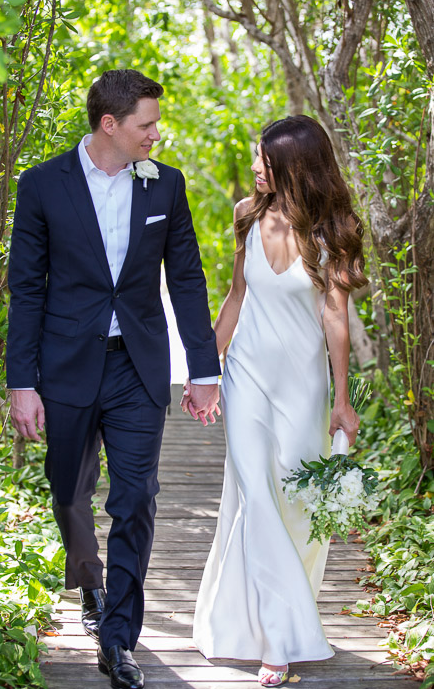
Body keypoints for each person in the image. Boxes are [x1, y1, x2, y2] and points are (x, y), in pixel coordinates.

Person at [6, 69, 221, 689]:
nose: (157, 134)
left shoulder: (166, 185)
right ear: (111, 125)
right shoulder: (43, 184)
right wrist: (23, 381)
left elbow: (186, 280)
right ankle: (90, 582)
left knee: (136, 497)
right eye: (146, 124)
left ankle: (119, 637)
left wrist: (203, 369)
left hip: (137, 364)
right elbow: (26, 288)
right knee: (70, 494)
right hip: (65, 366)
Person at [186, 115, 368, 687]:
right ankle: (280, 642)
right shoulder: (247, 215)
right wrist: (203, 373)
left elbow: (335, 317)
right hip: (246, 375)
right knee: (256, 497)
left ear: (294, 166)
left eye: (264, 158)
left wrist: (343, 399)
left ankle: (271, 620)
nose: (256, 166)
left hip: (303, 384)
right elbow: (237, 297)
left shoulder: (332, 230)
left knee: (294, 498)